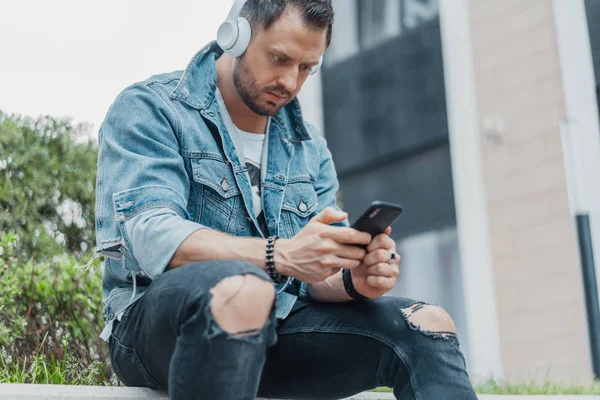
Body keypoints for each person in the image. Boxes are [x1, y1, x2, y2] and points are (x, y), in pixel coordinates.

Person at [93, 0, 478, 398]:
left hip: (278, 328)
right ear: (235, 35)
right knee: (244, 290)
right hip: (159, 330)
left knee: (427, 324)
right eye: (279, 59)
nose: (291, 83)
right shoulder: (151, 108)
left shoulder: (309, 147)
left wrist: (352, 278)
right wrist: (281, 255)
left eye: (307, 68)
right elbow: (152, 234)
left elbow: (314, 279)